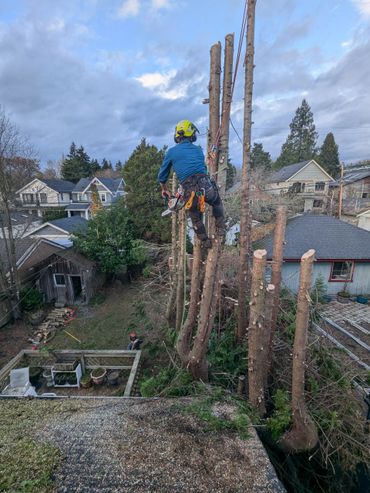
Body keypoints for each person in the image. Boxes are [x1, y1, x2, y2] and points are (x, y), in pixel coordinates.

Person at [158, 119, 225, 248]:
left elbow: (162, 176)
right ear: (191, 135)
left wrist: (164, 188)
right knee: (216, 201)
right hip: (205, 185)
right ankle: (221, 227)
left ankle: (205, 241)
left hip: (189, 190)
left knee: (195, 216)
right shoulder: (198, 150)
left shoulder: (171, 152)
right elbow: (202, 169)